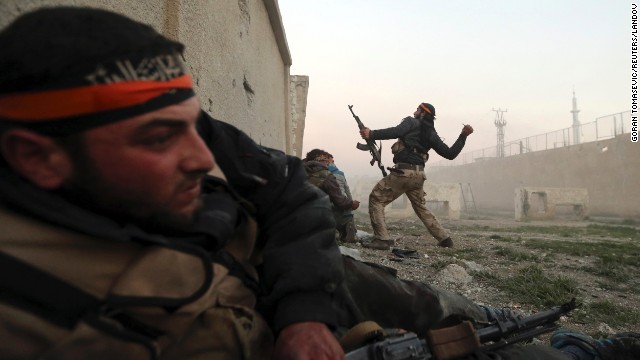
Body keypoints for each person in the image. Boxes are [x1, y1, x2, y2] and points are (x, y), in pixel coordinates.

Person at [0, 7, 344, 359]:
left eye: (195, 127)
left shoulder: (176, 124)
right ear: (37, 158)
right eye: (160, 138)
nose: (202, 158)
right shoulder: (30, 321)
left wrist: (306, 313)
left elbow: (288, 185)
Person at [359, 102, 473, 250]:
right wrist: (463, 136)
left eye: (418, 109)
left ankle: (382, 240)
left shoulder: (410, 122)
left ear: (423, 113)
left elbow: (395, 131)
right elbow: (450, 154)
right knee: (420, 206)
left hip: (403, 172)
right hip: (419, 175)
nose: (415, 111)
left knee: (376, 198)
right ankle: (444, 239)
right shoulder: (431, 133)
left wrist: (371, 134)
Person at [303, 149, 360, 221]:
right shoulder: (326, 175)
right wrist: (352, 204)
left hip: (300, 215)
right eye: (325, 159)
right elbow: (340, 200)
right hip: (318, 218)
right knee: (346, 215)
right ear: (318, 159)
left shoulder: (300, 172)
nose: (327, 162)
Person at [325, 152, 358, 243]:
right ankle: (350, 231)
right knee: (347, 216)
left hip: (327, 205)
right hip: (342, 203)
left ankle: (335, 232)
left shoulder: (320, 172)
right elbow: (347, 190)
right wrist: (351, 203)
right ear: (328, 161)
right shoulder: (340, 173)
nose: (334, 162)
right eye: (332, 160)